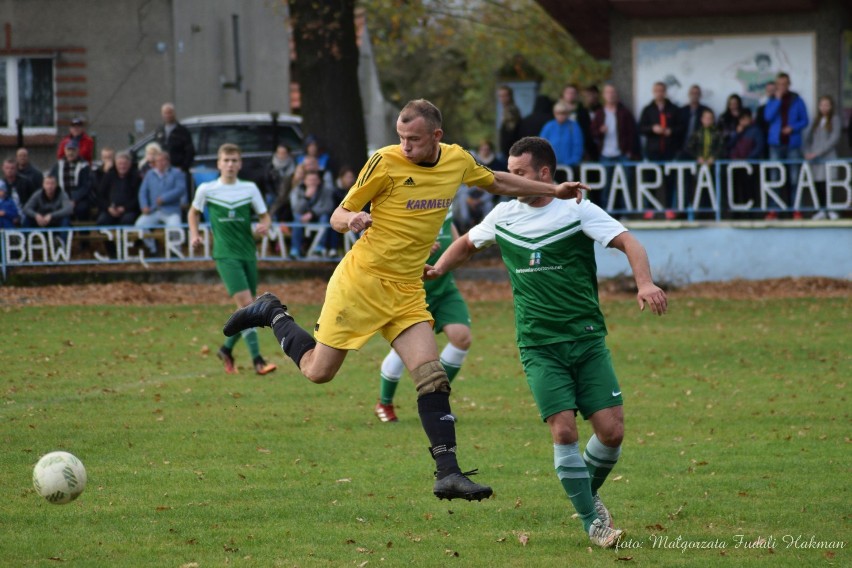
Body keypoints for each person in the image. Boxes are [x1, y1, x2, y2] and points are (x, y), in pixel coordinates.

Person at [221, 99, 588, 502]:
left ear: (436, 137)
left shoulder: (457, 161)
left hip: (407, 289)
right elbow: (338, 215)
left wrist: (553, 189)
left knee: (432, 377)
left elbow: (498, 181)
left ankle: (448, 473)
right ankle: (272, 311)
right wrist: (355, 219)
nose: (405, 146)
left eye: (413, 139)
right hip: (361, 283)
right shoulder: (384, 162)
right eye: (400, 137)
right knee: (318, 371)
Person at [423, 136, 668, 548]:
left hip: (587, 337)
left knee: (612, 432)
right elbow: (466, 244)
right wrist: (438, 269)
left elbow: (629, 241)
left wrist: (644, 282)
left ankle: (584, 496)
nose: (509, 181)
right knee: (565, 432)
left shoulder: (576, 209)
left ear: (543, 174)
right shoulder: (504, 216)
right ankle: (594, 522)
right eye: (508, 172)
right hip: (538, 344)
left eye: (517, 174)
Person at [374, 205, 471, 423]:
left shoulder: (444, 202)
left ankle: (437, 400)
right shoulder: (404, 207)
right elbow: (388, 252)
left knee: (461, 338)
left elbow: (451, 231)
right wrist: (420, 253)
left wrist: (457, 250)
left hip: (445, 289)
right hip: (412, 293)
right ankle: (384, 402)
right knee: (405, 350)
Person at [189, 143, 277, 376]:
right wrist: (194, 234)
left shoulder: (249, 188)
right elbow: (193, 212)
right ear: (218, 164)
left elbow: (265, 215)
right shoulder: (207, 189)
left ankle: (226, 350)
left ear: (240, 164)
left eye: (234, 160)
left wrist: (265, 226)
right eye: (225, 160)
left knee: (247, 309)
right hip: (225, 254)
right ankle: (258, 361)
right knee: (249, 306)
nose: (229, 164)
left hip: (248, 253)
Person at [763, 72, 809, 220]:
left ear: (789, 84)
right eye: (779, 84)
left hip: (792, 145)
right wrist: (777, 100)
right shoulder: (772, 100)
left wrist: (793, 127)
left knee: (795, 178)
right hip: (776, 145)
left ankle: (797, 210)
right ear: (776, 85)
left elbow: (805, 120)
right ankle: (773, 210)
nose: (782, 87)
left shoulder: (797, 99)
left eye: (785, 84)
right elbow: (767, 117)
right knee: (775, 178)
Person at [590, 84, 640, 211]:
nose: (611, 95)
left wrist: (629, 152)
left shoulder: (624, 112)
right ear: (603, 96)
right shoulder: (599, 113)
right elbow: (592, 133)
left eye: (613, 92)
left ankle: (624, 212)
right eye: (608, 92)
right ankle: (607, 212)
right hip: (605, 154)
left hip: (622, 154)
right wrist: (600, 131)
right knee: (606, 185)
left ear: (617, 95)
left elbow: (632, 133)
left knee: (626, 184)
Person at [639, 81, 682, 219]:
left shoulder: (674, 109)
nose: (659, 93)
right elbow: (641, 128)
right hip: (652, 152)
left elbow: (681, 128)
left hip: (669, 152)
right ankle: (649, 210)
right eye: (656, 90)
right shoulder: (648, 109)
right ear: (653, 92)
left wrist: (671, 131)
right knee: (650, 180)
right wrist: (652, 129)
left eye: (661, 90)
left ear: (665, 92)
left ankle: (669, 208)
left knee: (670, 181)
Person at [134, 150, 186, 254]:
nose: (160, 163)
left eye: (163, 160)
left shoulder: (176, 173)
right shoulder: (150, 174)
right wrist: (144, 206)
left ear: (168, 161)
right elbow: (142, 192)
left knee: (174, 227)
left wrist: (164, 198)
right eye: (157, 161)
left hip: (171, 210)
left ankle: (175, 251)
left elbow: (180, 189)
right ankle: (153, 248)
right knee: (139, 225)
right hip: (154, 210)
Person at [803, 95, 842, 220]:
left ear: (831, 107)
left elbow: (834, 139)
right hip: (815, 160)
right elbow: (806, 138)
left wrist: (818, 152)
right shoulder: (815, 121)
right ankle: (821, 209)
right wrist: (807, 152)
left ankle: (831, 209)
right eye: (822, 105)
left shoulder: (835, 119)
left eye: (827, 105)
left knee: (829, 183)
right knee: (818, 184)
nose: (824, 108)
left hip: (828, 157)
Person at [288, 170, 336, 258]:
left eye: (314, 180)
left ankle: (319, 248)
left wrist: (312, 213)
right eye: (310, 180)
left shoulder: (325, 190)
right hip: (302, 217)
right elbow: (295, 209)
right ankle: (295, 249)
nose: (312, 182)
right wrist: (306, 197)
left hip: (318, 217)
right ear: (304, 181)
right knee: (297, 218)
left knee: (325, 217)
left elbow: (328, 207)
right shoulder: (297, 190)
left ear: (319, 181)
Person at [154, 102, 196, 200]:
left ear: (174, 113)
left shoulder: (182, 131)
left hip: (177, 169)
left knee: (180, 196)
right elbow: (155, 149)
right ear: (162, 114)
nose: (168, 115)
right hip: (162, 171)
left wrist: (183, 167)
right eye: (165, 113)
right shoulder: (159, 130)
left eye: (170, 113)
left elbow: (190, 152)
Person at [49, 139, 94, 222]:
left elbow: (86, 186)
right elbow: (51, 181)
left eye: (73, 150)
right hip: (61, 197)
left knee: (82, 209)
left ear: (78, 151)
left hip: (80, 199)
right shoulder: (58, 165)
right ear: (65, 151)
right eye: (68, 150)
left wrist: (74, 199)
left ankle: (83, 233)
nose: (70, 153)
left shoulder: (84, 166)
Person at [96, 152, 140, 227]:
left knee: (127, 220)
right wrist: (108, 208)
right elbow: (100, 196)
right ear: (115, 164)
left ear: (129, 164)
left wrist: (124, 208)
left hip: (129, 210)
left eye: (125, 164)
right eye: (120, 163)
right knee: (102, 221)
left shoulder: (135, 177)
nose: (122, 166)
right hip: (110, 209)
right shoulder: (109, 176)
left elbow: (137, 197)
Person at [540, 100, 584, 169]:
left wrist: (572, 161)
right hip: (551, 166)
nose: (561, 115)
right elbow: (542, 145)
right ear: (554, 113)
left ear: (567, 114)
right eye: (558, 113)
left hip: (570, 166)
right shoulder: (548, 126)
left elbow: (578, 145)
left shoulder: (574, 126)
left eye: (563, 113)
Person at [561, 84, 597, 161]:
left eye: (573, 93)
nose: (570, 95)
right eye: (568, 93)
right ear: (563, 94)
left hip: (580, 147)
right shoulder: (557, 111)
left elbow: (587, 131)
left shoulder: (583, 111)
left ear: (576, 95)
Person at [676, 85, 711, 159]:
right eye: (692, 93)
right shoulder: (682, 111)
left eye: (697, 93)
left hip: (700, 151)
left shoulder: (705, 111)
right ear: (689, 94)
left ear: (700, 95)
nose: (694, 95)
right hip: (683, 149)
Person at [266, 144, 297, 222]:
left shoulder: (294, 166)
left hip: (289, 192)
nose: (281, 155)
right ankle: (273, 220)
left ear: (288, 154)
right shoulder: (271, 166)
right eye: (279, 152)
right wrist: (274, 193)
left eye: (283, 153)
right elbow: (267, 182)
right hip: (275, 192)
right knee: (271, 198)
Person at [497, 85, 522, 159]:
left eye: (505, 96)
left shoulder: (511, 110)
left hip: (510, 152)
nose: (502, 98)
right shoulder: (505, 110)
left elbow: (511, 133)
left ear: (510, 96)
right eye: (500, 96)